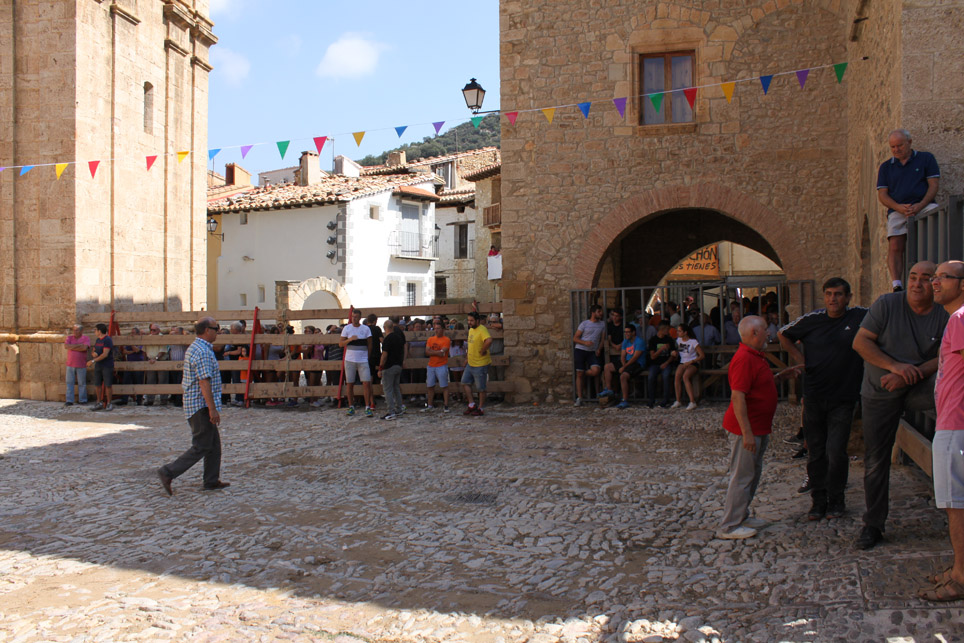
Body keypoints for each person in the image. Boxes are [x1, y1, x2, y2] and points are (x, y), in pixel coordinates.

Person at [852, 261, 949, 550]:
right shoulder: (887, 304)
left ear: (935, 283)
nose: (917, 284)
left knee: (952, 419)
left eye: (925, 278)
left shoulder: (944, 313)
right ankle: (873, 524)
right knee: (876, 459)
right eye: (913, 277)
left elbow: (946, 355)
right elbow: (861, 343)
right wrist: (895, 367)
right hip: (880, 388)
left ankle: (952, 504)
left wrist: (909, 375)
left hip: (918, 386)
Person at [779, 277, 868, 521]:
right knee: (816, 451)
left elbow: (883, 317)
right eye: (828, 294)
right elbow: (783, 334)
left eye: (838, 294)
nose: (833, 299)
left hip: (844, 396)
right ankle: (818, 501)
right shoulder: (813, 320)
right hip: (815, 395)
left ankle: (837, 500)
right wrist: (801, 361)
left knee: (836, 451)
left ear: (848, 297)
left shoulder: (859, 317)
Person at [717, 316, 804, 539]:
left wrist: (781, 377)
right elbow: (738, 397)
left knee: (752, 474)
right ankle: (729, 526)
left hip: (758, 427)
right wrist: (746, 433)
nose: (769, 333)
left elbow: (758, 385)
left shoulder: (755, 355)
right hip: (747, 429)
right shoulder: (744, 359)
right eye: (765, 329)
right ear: (754, 333)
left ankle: (741, 515)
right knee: (742, 476)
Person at [918, 261, 964, 601]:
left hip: (956, 423)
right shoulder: (955, 319)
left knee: (956, 504)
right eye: (934, 277)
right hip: (952, 421)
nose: (935, 283)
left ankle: (961, 578)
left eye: (943, 278)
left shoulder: (960, 319)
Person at [157, 317, 229, 496]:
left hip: (198, 403)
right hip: (200, 405)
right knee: (202, 445)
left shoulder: (198, 348)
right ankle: (169, 471)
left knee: (214, 445)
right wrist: (212, 408)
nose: (218, 332)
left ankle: (211, 480)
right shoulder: (202, 352)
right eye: (216, 328)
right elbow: (204, 381)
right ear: (207, 330)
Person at [877, 129, 940, 292]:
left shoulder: (926, 159)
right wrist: (898, 207)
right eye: (893, 147)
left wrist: (920, 205)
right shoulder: (886, 167)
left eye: (899, 145)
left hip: (924, 206)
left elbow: (933, 185)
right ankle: (897, 284)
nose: (896, 150)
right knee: (895, 245)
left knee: (934, 236)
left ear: (909, 143)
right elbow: (882, 195)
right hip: (898, 209)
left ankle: (934, 276)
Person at [599, 324, 646, 409]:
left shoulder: (639, 342)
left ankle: (624, 400)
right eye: (625, 332)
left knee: (623, 376)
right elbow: (623, 355)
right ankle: (609, 390)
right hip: (627, 362)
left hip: (637, 363)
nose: (626, 334)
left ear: (633, 332)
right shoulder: (625, 341)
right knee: (607, 367)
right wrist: (623, 364)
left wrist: (624, 367)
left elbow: (635, 357)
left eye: (628, 332)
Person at [340, 309, 374, 417]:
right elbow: (341, 343)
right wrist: (349, 339)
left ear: (360, 317)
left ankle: (367, 406)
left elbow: (370, 344)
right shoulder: (347, 328)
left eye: (356, 317)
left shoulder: (366, 329)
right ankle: (351, 406)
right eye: (353, 316)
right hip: (350, 359)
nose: (354, 318)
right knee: (350, 383)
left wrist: (367, 356)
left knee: (366, 383)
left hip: (363, 359)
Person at [572, 304, 605, 407]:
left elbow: (602, 339)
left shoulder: (602, 324)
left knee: (596, 370)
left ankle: (582, 374)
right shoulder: (584, 324)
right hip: (581, 350)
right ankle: (580, 397)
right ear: (593, 313)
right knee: (579, 373)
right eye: (599, 311)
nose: (601, 313)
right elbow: (575, 338)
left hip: (592, 352)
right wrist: (584, 343)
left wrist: (599, 348)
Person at [462, 311, 492, 416]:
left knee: (481, 388)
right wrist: (467, 359)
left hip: (480, 363)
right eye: (468, 320)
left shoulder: (482, 329)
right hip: (471, 362)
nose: (469, 322)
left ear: (477, 321)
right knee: (465, 382)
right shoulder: (471, 330)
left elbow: (489, 340)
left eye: (471, 320)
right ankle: (472, 404)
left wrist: (483, 350)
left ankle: (481, 408)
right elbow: (470, 346)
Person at [377, 319, 406, 420]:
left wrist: (380, 368)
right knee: (396, 388)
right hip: (398, 365)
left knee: (388, 390)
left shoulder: (387, 340)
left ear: (385, 328)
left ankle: (391, 411)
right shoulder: (399, 338)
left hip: (389, 367)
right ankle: (399, 408)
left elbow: (384, 355)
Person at [672, 323, 704, 410]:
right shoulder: (678, 340)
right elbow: (680, 351)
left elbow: (701, 355)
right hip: (683, 362)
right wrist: (675, 353)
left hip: (693, 362)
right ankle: (678, 400)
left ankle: (692, 401)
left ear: (685, 332)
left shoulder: (693, 342)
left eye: (679, 331)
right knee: (677, 376)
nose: (677, 332)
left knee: (685, 377)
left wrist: (692, 361)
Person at [423, 319, 452, 412]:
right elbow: (427, 352)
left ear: (442, 329)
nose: (436, 330)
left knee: (444, 385)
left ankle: (446, 405)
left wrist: (432, 352)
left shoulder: (446, 340)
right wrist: (437, 352)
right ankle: (430, 405)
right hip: (431, 365)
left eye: (438, 328)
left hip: (441, 365)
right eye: (435, 328)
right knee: (430, 386)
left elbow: (442, 352)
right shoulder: (430, 339)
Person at [647, 321, 675, 408]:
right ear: (662, 329)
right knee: (651, 377)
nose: (668, 331)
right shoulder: (653, 340)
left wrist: (666, 363)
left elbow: (673, 355)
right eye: (667, 329)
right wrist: (661, 349)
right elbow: (652, 356)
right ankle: (651, 399)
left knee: (666, 376)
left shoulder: (669, 340)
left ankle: (666, 399)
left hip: (666, 363)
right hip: (655, 363)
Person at [87, 323, 114, 411]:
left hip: (107, 365)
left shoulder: (107, 340)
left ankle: (109, 403)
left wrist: (93, 361)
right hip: (99, 365)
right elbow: (94, 350)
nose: (94, 331)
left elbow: (105, 354)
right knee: (97, 384)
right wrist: (93, 354)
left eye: (95, 330)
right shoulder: (98, 340)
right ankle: (98, 402)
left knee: (108, 385)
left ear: (99, 331)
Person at [143, 323, 170, 406]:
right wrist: (146, 360)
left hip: (161, 361)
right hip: (150, 361)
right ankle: (150, 399)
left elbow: (162, 351)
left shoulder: (162, 338)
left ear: (158, 330)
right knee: (150, 380)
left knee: (163, 380)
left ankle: (163, 399)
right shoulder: (148, 338)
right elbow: (144, 350)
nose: (152, 331)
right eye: (151, 330)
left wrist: (155, 359)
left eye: (154, 330)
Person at [64, 324, 89, 406]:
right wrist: (79, 346)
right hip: (70, 364)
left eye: (77, 330)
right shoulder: (69, 337)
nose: (74, 331)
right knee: (69, 382)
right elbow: (66, 346)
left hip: (81, 364)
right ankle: (69, 400)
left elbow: (84, 348)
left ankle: (83, 400)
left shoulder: (86, 338)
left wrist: (72, 347)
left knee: (82, 383)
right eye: (74, 330)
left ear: (81, 331)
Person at [167, 327, 186, 407]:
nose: (175, 334)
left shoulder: (184, 340)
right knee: (174, 381)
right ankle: (174, 398)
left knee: (180, 382)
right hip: (173, 364)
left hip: (181, 364)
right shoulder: (171, 341)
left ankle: (179, 400)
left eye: (177, 332)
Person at [365, 313, 383, 386]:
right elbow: (381, 340)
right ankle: (377, 390)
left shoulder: (365, 329)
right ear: (375, 321)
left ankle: (370, 390)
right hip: (377, 354)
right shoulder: (377, 329)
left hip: (367, 354)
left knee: (370, 374)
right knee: (378, 374)